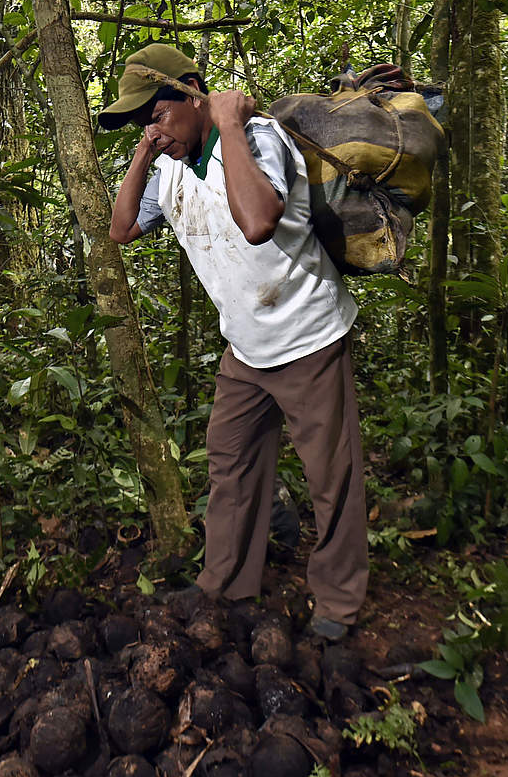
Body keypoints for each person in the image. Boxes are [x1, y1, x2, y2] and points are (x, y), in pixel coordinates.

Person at [100, 44, 367, 640]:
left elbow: (257, 223)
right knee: (231, 465)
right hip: (245, 348)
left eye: (159, 114)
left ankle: (339, 604)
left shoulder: (258, 138)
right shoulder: (166, 164)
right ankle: (226, 583)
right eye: (143, 122)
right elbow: (121, 229)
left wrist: (228, 124)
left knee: (333, 478)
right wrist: (147, 149)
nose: (153, 130)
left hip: (309, 337)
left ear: (195, 94)